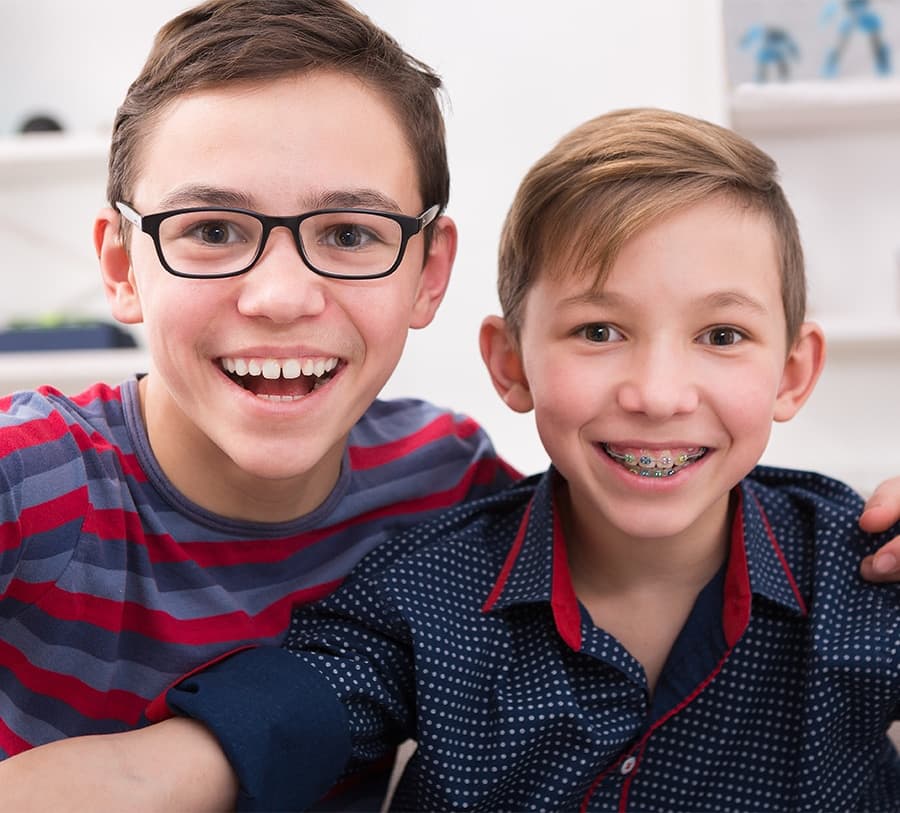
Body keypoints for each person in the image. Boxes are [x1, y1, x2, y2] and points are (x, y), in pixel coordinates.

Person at [10, 106, 900, 811]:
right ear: (509, 363)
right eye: (598, 330)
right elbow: (190, 760)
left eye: (721, 334)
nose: (658, 393)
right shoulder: (425, 589)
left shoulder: (868, 579)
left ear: (793, 372)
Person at [0, 0, 520, 806]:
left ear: (428, 272)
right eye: (211, 229)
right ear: (121, 265)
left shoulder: (447, 482)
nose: (281, 296)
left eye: (350, 233)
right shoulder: (30, 480)